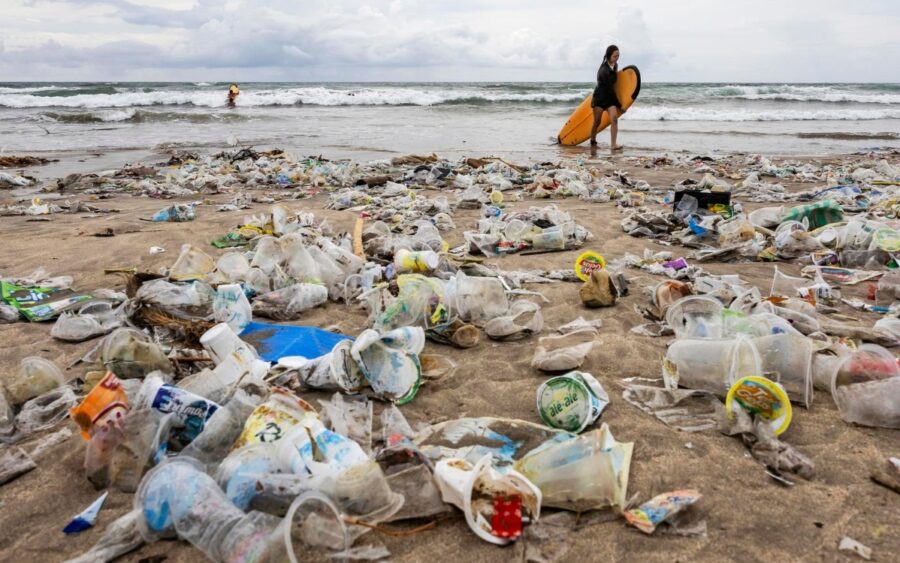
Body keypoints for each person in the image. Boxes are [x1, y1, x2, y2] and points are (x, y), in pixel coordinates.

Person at [590, 45, 623, 152]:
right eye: (615, 56)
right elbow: (609, 89)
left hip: (609, 98)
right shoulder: (604, 70)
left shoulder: (615, 65)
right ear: (609, 56)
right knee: (597, 121)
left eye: (618, 56)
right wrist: (619, 105)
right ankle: (593, 140)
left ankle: (613, 144)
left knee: (614, 119)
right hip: (600, 98)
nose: (617, 58)